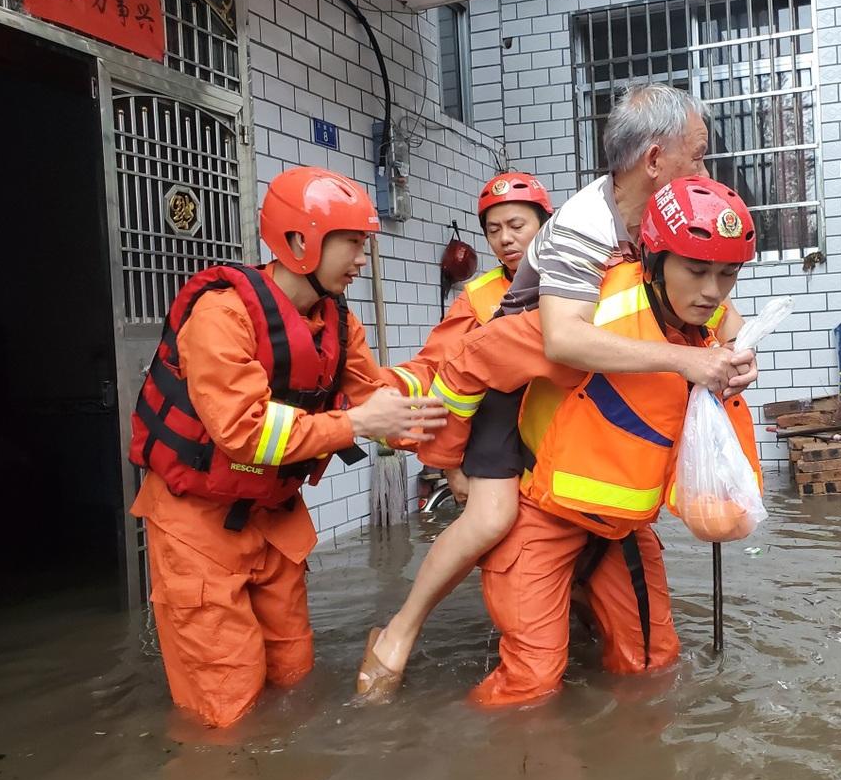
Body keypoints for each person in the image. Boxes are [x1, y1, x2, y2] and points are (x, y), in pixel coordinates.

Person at [356, 85, 758, 699]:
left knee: (646, 658)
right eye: (698, 156)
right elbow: (563, 343)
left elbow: (706, 307)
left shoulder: (660, 225)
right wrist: (687, 362)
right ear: (655, 160)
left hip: (574, 422)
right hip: (510, 386)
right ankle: (399, 633)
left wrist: (731, 351)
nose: (705, 171)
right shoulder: (586, 228)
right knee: (490, 517)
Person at [427, 175, 764, 705]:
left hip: (620, 532)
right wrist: (450, 465)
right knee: (530, 686)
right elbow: (468, 362)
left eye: (729, 274)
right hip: (542, 519)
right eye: (697, 271)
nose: (712, 291)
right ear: (654, 261)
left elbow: (729, 322)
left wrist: (743, 358)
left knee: (653, 667)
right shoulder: (588, 314)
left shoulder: (706, 319)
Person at [129, 166, 446, 728]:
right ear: (300, 241)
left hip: (273, 523)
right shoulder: (221, 315)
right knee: (227, 711)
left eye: (364, 243)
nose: (361, 259)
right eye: (351, 242)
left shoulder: (336, 321)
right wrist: (355, 426)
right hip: (198, 528)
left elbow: (375, 399)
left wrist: (455, 394)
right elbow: (243, 432)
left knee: (294, 681)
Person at [383, 172, 553, 502]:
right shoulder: (477, 296)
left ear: (546, 225)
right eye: (493, 230)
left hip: (574, 454)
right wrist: (378, 391)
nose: (505, 239)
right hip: (504, 461)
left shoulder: (575, 283)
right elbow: (436, 366)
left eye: (516, 226)